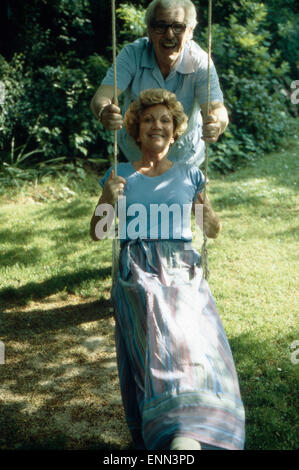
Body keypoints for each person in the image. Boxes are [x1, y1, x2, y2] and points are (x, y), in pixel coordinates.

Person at [90, 89, 245, 451]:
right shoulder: (120, 174)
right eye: (148, 120)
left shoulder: (190, 175)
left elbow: (212, 230)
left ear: (175, 131)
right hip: (138, 273)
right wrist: (107, 198)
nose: (156, 125)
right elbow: (98, 233)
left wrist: (204, 210)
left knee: (193, 342)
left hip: (182, 270)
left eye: (164, 120)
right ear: (136, 130)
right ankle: (173, 427)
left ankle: (195, 423)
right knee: (158, 334)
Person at [90, 0, 229, 167]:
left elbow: (217, 109)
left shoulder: (200, 62)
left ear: (190, 31)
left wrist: (216, 124)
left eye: (178, 27)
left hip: (184, 160)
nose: (169, 34)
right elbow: (101, 98)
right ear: (149, 30)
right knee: (121, 193)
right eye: (160, 26)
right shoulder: (132, 54)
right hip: (135, 156)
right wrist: (104, 111)